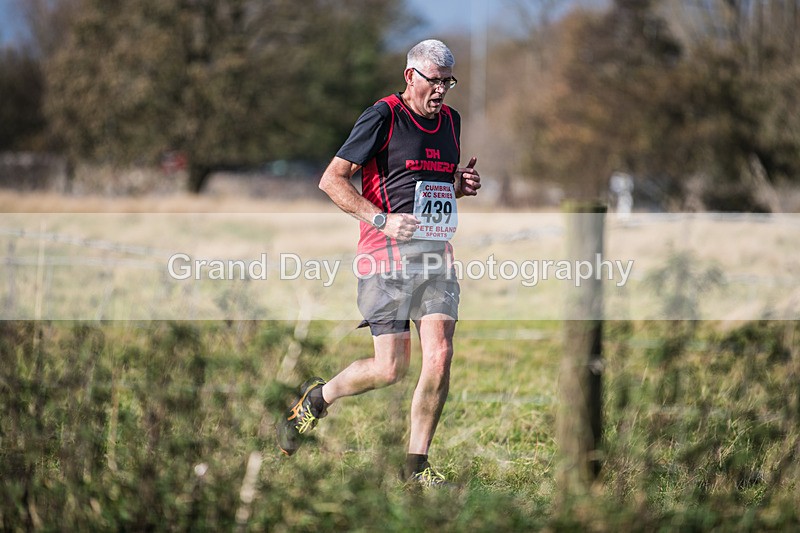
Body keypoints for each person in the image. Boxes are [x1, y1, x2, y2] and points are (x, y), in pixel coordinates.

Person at [276, 39, 481, 487]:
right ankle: (317, 398)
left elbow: (430, 184)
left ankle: (416, 466)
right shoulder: (383, 116)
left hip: (435, 257)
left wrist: (459, 185)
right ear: (410, 76)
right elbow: (332, 180)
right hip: (383, 257)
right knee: (390, 368)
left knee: (440, 355)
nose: (441, 90)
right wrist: (382, 220)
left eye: (449, 82)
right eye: (435, 81)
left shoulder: (451, 121)